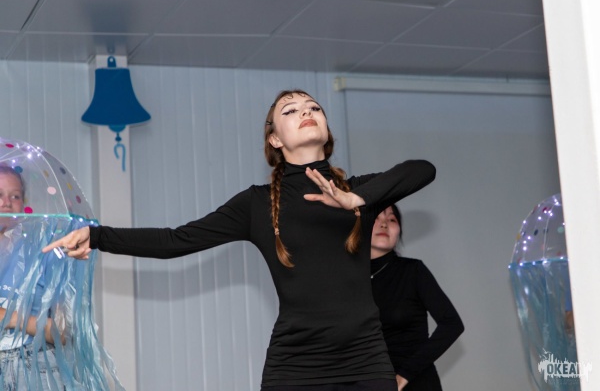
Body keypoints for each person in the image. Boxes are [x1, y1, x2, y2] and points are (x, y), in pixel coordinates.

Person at [44, 89, 436, 390]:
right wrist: (97, 236)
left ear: (326, 130)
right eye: (291, 110)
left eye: (314, 107)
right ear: (276, 140)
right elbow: (176, 240)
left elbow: (423, 169)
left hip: (366, 361)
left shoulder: (361, 192)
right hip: (295, 365)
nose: (306, 112)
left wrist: (356, 200)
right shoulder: (256, 204)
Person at [370, 205, 464, 391]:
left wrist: (404, 375)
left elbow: (452, 324)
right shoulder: (349, 280)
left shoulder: (413, 271)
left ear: (399, 232)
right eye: (376, 218)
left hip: (414, 381)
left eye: (391, 219)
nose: (384, 224)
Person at [0, 166, 64, 390]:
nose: (6, 203)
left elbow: (64, 332)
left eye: (15, 196)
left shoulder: (45, 253)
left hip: (33, 370)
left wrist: (11, 318)